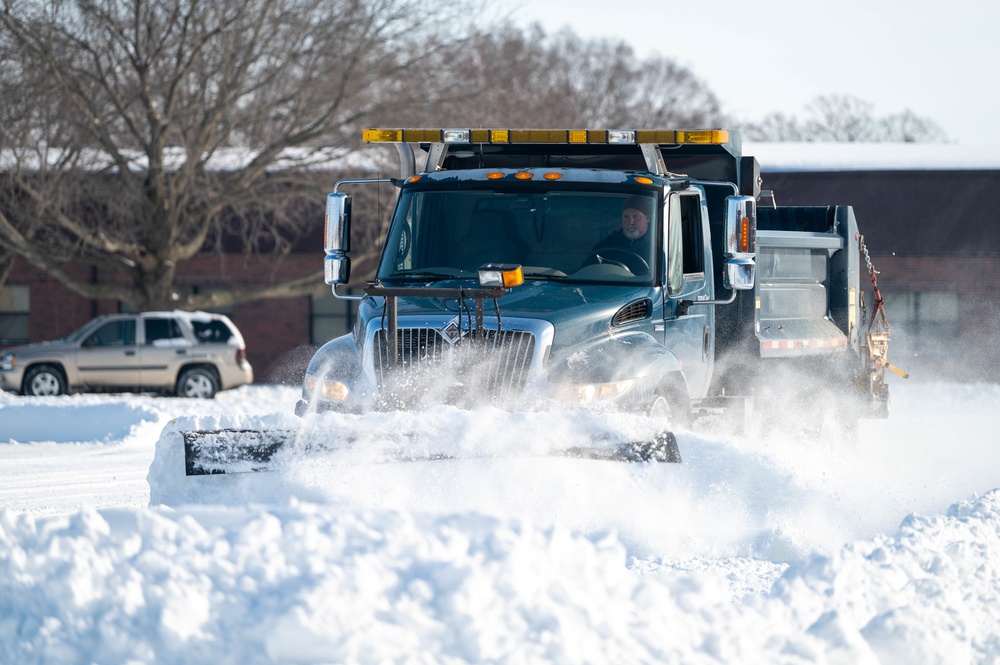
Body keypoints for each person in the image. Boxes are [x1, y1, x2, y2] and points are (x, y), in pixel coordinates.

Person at [584, 194, 654, 273]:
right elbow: (586, 270)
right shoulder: (608, 244)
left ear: (647, 218)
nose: (631, 222)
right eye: (626, 217)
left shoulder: (655, 248)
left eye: (636, 217)